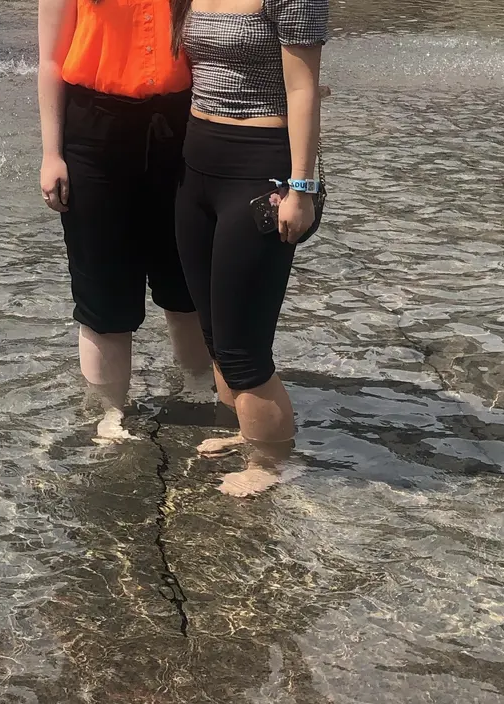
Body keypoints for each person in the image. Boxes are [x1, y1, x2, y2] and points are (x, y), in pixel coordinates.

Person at [38, 0, 215, 443]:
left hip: (181, 125)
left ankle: (197, 387)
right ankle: (110, 410)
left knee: (186, 276)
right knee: (103, 282)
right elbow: (50, 61)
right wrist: (51, 154)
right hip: (93, 131)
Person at [170, 0, 328, 495]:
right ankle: (246, 433)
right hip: (195, 166)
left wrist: (301, 188)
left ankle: (271, 464)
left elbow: (304, 90)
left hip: (261, 170)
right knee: (215, 334)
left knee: (244, 350)